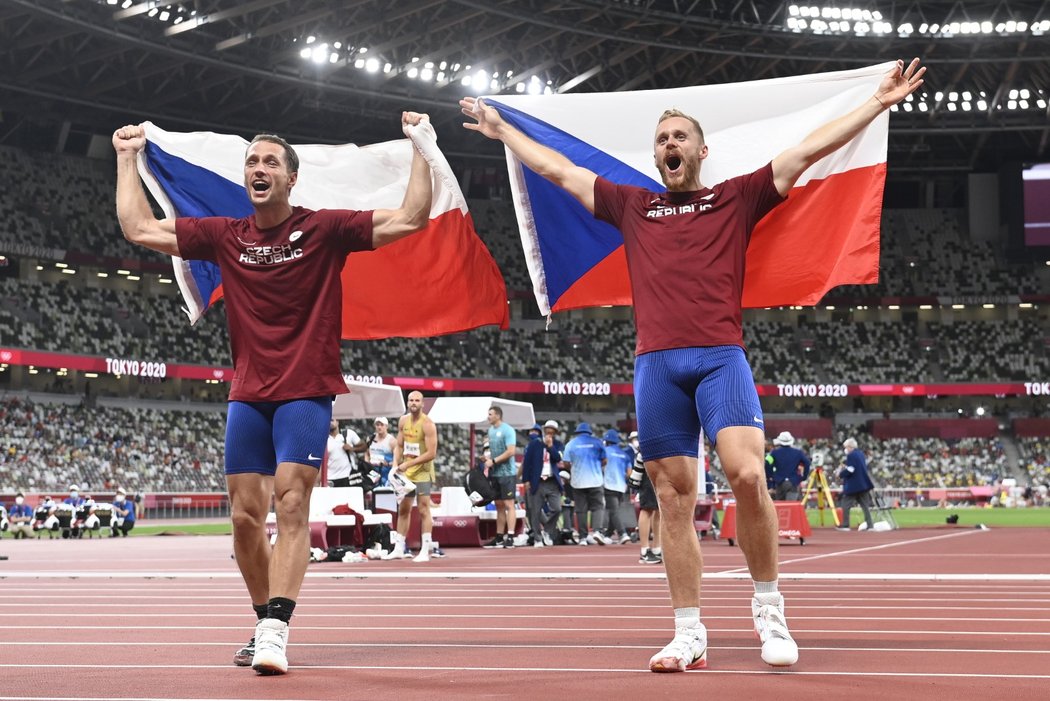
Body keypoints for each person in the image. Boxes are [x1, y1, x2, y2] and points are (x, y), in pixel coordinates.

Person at [461, 57, 925, 671]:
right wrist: (503, 134)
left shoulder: (736, 198)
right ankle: (689, 632)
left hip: (718, 358)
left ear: (702, 150)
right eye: (662, 139)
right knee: (672, 498)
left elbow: (806, 151)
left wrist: (876, 104)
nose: (670, 143)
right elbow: (560, 169)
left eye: (680, 136)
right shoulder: (634, 206)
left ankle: (769, 607)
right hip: (656, 364)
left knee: (748, 476)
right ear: (655, 157)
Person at [113, 111, 435, 675]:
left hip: (306, 390)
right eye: (252, 161)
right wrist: (124, 159)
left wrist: (421, 147)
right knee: (243, 516)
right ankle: (263, 617)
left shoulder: (324, 229)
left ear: (291, 178)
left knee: (291, 501)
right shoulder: (224, 235)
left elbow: (410, 218)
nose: (258, 168)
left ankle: (276, 629)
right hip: (248, 394)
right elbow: (139, 229)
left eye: (270, 162)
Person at [391, 391, 439, 562]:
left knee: (424, 509)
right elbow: (399, 444)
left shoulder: (428, 424)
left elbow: (432, 453)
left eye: (417, 400)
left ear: (422, 404)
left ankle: (425, 550)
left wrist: (408, 464)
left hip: (423, 471)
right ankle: (398, 548)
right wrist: (395, 463)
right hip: (406, 472)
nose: (413, 403)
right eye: (411, 400)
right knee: (403, 509)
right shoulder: (403, 420)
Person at [562, 423, 610, 545]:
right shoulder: (597, 442)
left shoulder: (570, 444)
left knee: (580, 510)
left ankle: (583, 537)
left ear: (577, 432)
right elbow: (604, 460)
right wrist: (596, 466)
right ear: (589, 432)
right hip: (595, 480)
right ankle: (597, 531)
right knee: (598, 507)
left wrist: (574, 467)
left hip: (578, 481)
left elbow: (566, 463)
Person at [519, 421, 564, 547]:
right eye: (548, 429)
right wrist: (526, 480)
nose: (550, 432)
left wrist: (550, 447)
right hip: (537, 481)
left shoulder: (558, 445)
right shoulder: (535, 444)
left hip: (552, 481)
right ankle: (537, 538)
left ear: (555, 432)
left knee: (557, 508)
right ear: (544, 430)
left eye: (552, 430)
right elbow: (527, 463)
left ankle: (547, 531)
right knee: (535, 511)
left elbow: (557, 458)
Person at [483, 405, 519, 548]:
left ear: (498, 415)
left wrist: (494, 461)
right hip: (495, 473)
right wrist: (487, 458)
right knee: (498, 505)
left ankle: (510, 536)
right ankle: (499, 537)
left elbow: (511, 451)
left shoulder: (508, 430)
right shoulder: (490, 431)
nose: (488, 417)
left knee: (509, 505)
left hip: (507, 473)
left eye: (490, 414)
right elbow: (493, 451)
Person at [837, 437, 875, 532]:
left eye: (846, 447)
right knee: (865, 506)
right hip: (863, 484)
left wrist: (841, 474)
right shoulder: (860, 454)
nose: (846, 449)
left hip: (854, 485)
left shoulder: (851, 455)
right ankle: (870, 525)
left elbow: (851, 470)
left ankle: (845, 525)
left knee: (845, 504)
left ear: (850, 447)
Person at [601, 429, 632, 544]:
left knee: (613, 511)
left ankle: (622, 533)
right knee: (614, 510)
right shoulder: (625, 454)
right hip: (621, 487)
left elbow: (599, 464)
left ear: (606, 441)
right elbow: (629, 474)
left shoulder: (604, 450)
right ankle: (608, 534)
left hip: (609, 485)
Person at [766, 431, 811, 502]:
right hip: (793, 482)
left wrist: (771, 475)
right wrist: (804, 477)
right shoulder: (798, 453)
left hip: (779, 482)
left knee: (780, 507)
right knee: (791, 505)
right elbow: (807, 463)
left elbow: (767, 462)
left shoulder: (774, 453)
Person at [365, 417, 397, 487]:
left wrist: (388, 464)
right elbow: (367, 454)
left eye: (382, 425)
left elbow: (398, 460)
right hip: (373, 474)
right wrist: (367, 464)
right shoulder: (370, 438)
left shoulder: (392, 441)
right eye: (377, 425)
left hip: (386, 475)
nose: (379, 427)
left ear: (386, 426)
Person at [326, 419, 356, 488]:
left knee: (348, 498)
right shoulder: (324, 438)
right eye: (328, 420)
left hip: (347, 476)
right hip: (330, 478)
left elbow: (363, 447)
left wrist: (352, 449)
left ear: (338, 422)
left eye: (332, 420)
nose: (330, 422)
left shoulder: (348, 434)